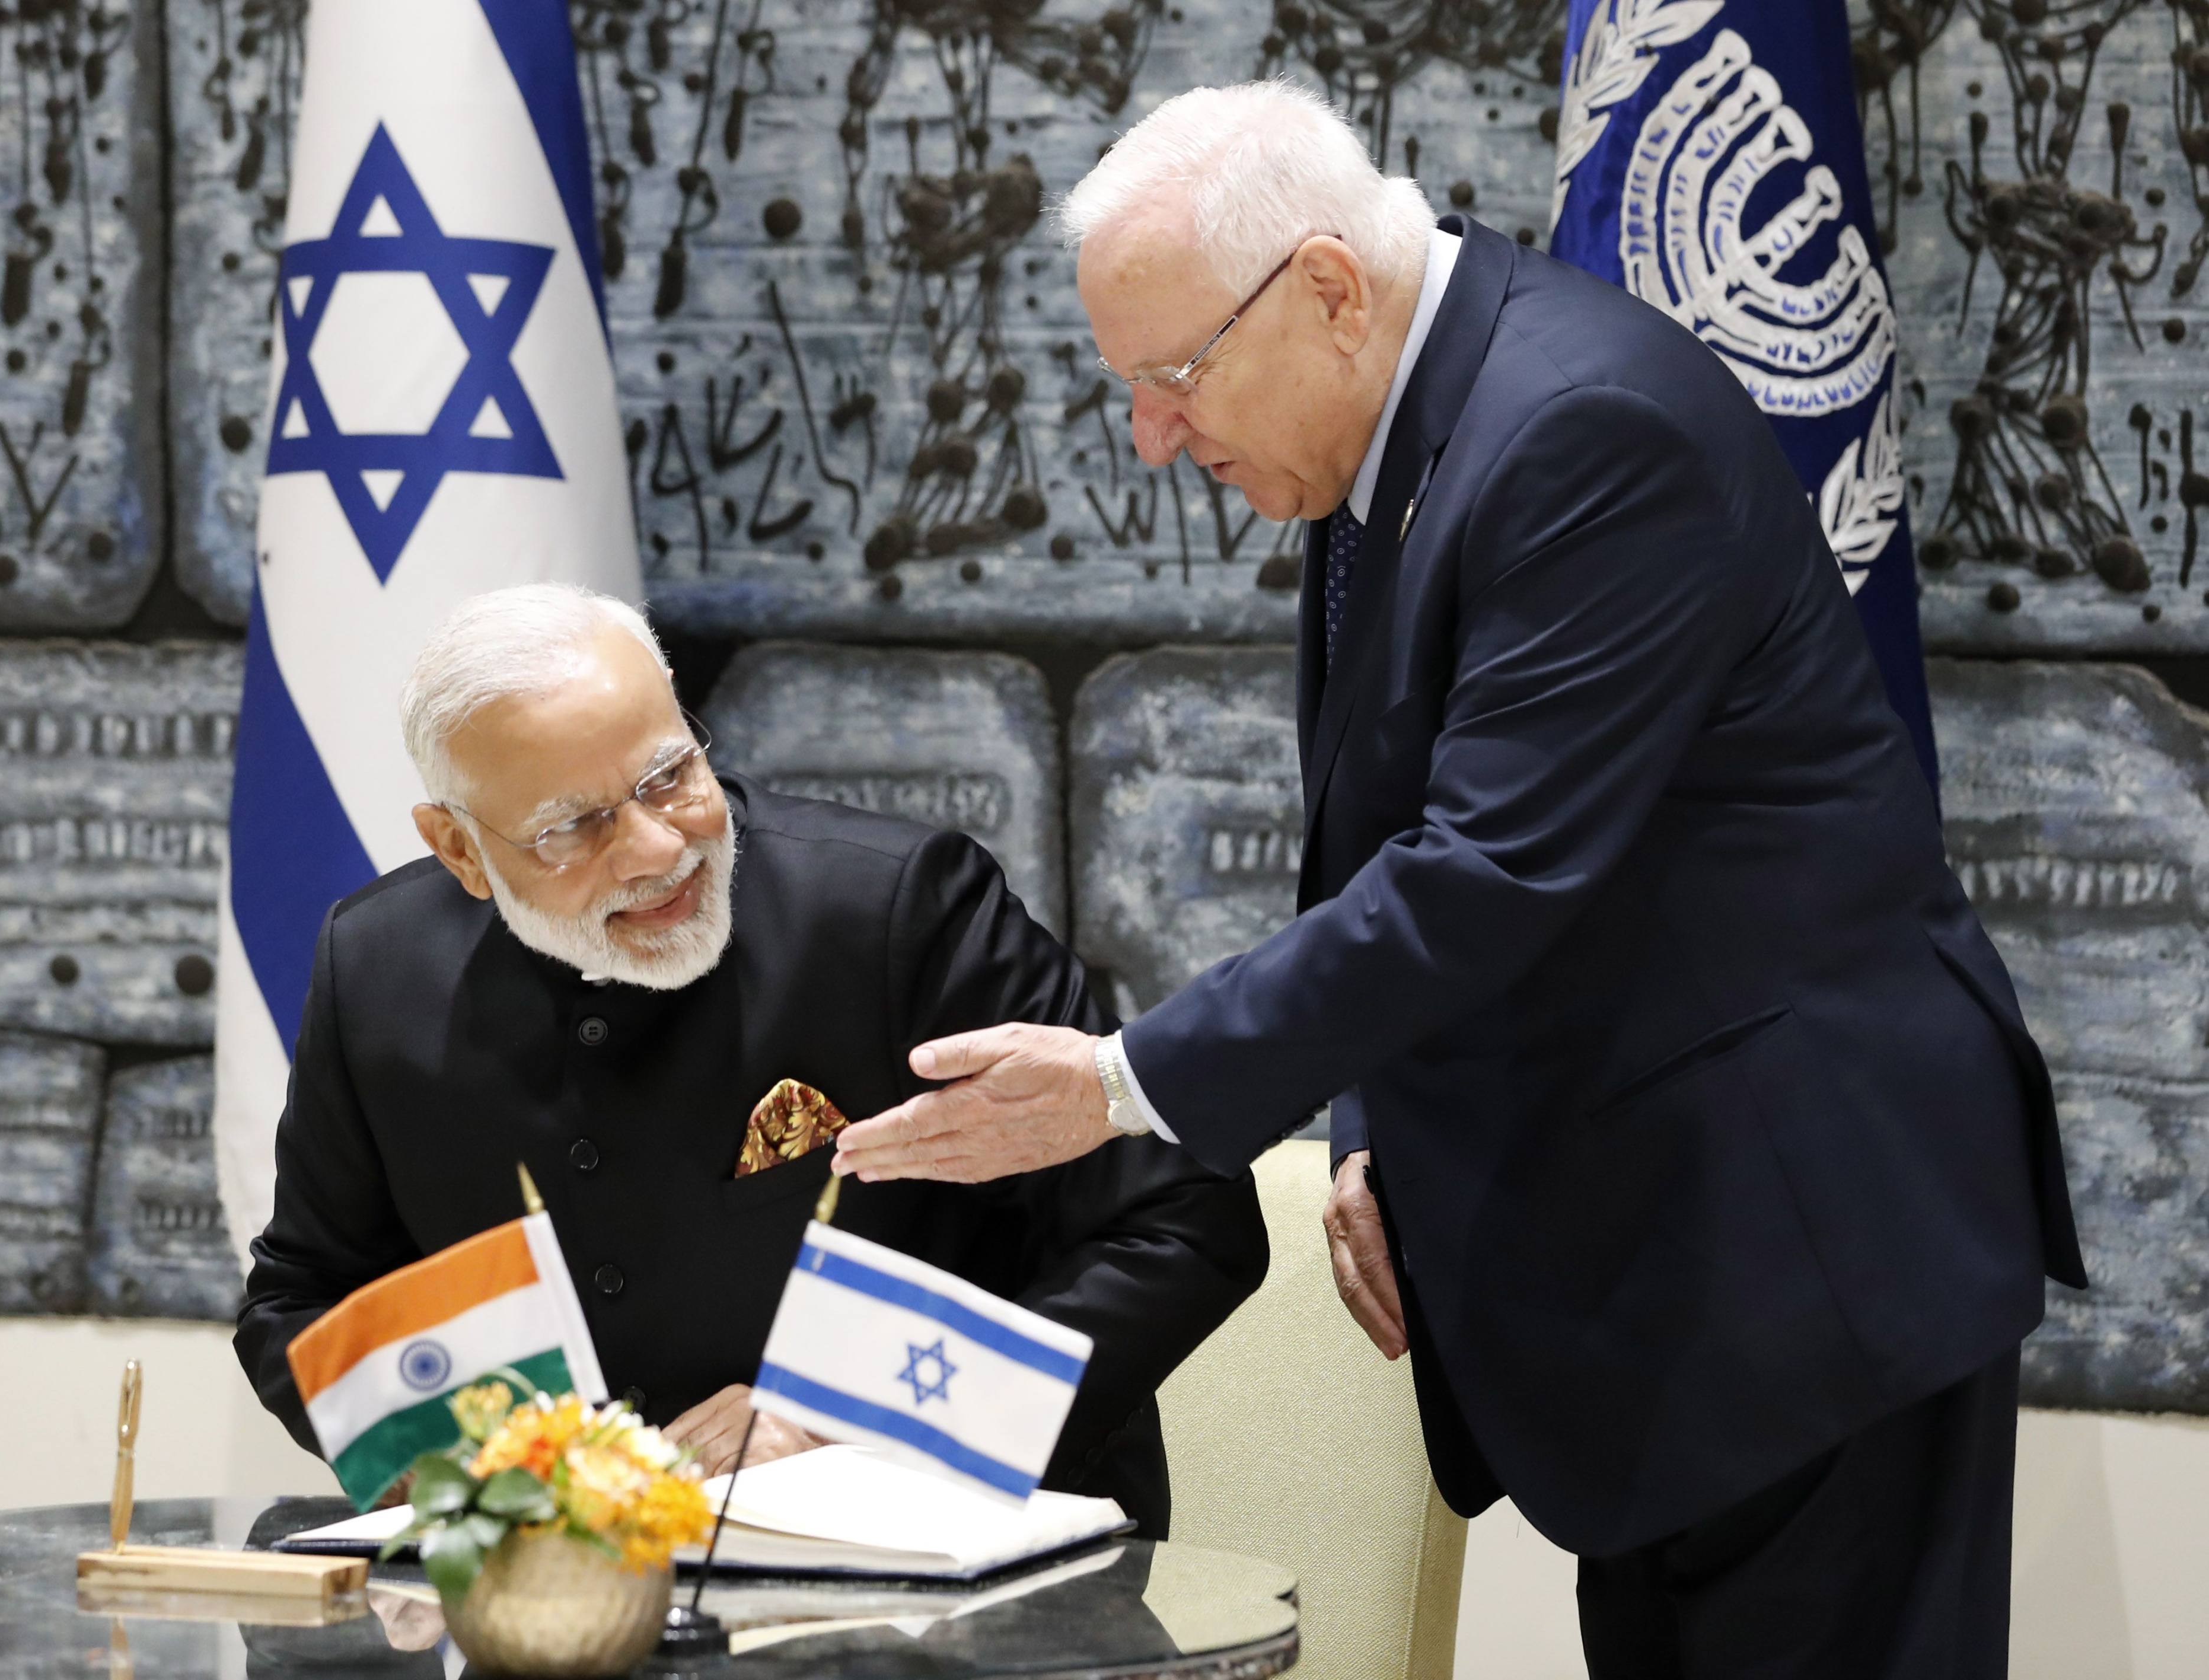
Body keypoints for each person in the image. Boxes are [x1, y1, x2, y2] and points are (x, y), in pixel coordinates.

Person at [830, 82, 2084, 1675]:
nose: (1154, 436)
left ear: (1326, 290)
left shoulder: (1580, 430)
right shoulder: (1401, 425)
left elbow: (1487, 866)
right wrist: (1372, 1115)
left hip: (1805, 1254)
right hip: (1666, 1282)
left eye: (1173, 378)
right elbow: (1405, 831)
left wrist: (1121, 1083)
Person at [234, 584, 1267, 1535]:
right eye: (574, 827)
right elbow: (301, 1300)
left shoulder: (899, 911)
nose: (657, 849)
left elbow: (1185, 1219)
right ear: (459, 849)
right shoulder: (377, 969)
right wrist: (472, 1455)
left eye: (668, 775)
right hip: (567, 1597)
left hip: (955, 1570)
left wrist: (855, 1424)